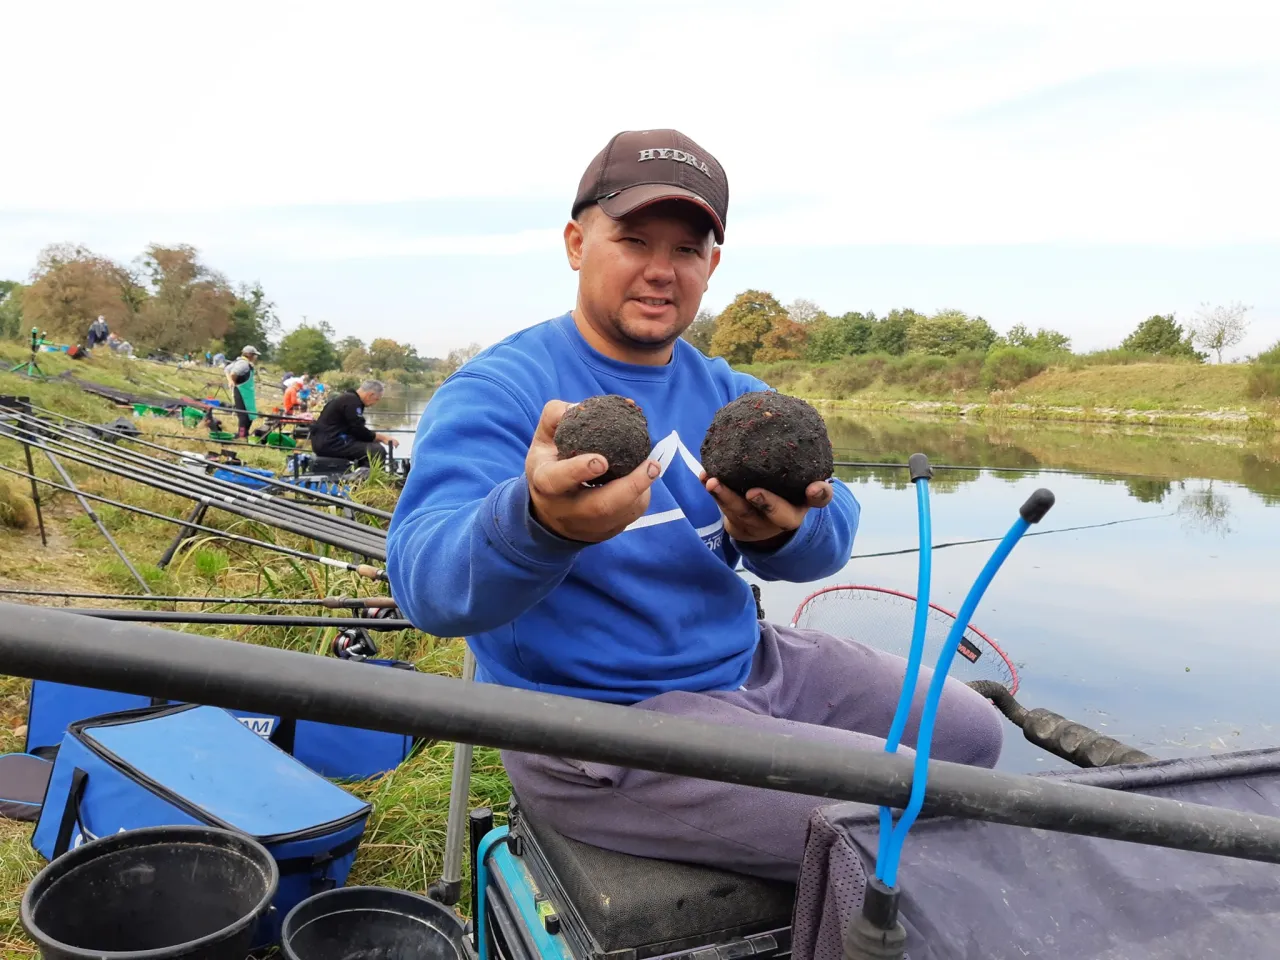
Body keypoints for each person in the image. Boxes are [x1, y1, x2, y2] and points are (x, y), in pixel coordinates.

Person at [384, 129, 1004, 884]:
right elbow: (423, 583)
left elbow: (831, 520)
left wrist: (788, 531)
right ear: (578, 243)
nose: (660, 269)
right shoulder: (501, 390)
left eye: (685, 249)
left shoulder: (733, 393)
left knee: (971, 738)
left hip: (747, 664)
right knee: (909, 806)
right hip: (600, 723)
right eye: (634, 239)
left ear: (711, 264)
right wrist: (537, 525)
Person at [308, 379, 399, 466]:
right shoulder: (352, 402)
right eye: (376, 399)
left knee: (370, 446)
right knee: (377, 450)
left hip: (326, 440)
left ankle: (360, 473)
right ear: (370, 395)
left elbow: (356, 429)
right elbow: (358, 429)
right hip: (330, 443)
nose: (375, 403)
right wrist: (381, 437)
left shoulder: (349, 398)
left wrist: (375, 438)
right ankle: (368, 479)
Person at [224, 345, 260, 439]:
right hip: (242, 391)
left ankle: (244, 433)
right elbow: (233, 373)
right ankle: (242, 435)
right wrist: (232, 380)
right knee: (243, 415)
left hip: (247, 392)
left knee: (250, 414)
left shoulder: (241, 362)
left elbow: (227, 369)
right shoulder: (243, 364)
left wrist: (230, 381)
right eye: (254, 355)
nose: (255, 357)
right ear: (249, 355)